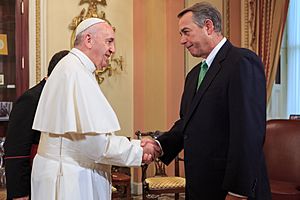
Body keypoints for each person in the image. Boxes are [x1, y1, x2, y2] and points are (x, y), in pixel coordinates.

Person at [142, 2, 271, 200]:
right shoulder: (194, 75)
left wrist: (238, 191)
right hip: (200, 187)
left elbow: (248, 132)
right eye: (180, 34)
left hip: (231, 191)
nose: (182, 41)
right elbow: (187, 123)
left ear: (208, 26)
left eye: (186, 32)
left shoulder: (241, 62)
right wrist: (159, 145)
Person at [30, 18, 158, 200]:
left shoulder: (72, 67)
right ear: (88, 40)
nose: (113, 49)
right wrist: (140, 150)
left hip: (64, 172)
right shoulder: (76, 72)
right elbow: (96, 146)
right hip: (70, 181)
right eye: (109, 41)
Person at [4, 50, 69, 200]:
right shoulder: (31, 99)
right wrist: (20, 194)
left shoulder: (62, 96)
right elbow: (15, 150)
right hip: (31, 184)